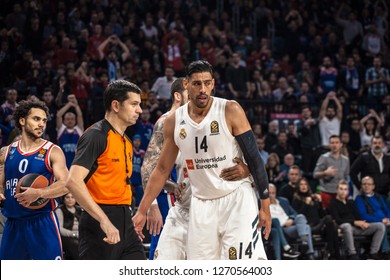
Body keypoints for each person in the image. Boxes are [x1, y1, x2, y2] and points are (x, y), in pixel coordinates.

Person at [133, 60, 271, 260]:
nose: (203, 89)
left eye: (207, 83)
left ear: (213, 84)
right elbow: (161, 169)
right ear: (187, 85)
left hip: (236, 199)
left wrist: (265, 207)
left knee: (240, 267)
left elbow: (255, 159)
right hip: (201, 203)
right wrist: (143, 210)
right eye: (197, 84)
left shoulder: (230, 110)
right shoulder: (173, 121)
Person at [65, 80, 146, 260]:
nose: (139, 110)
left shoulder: (127, 142)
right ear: (116, 105)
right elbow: (73, 181)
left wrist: (126, 224)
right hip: (99, 222)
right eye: (134, 104)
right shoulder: (96, 135)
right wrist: (105, 221)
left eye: (139, 105)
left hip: (125, 220)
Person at [0, 100, 69, 260]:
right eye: (36, 119)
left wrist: (39, 193)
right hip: (13, 224)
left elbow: (66, 184)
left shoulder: (53, 151)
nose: (41, 124)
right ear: (22, 121)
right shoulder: (6, 152)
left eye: (44, 121)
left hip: (42, 223)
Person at [327, 180, 385, 260]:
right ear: (337, 190)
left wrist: (362, 223)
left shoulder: (351, 202)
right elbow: (338, 220)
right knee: (347, 226)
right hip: (343, 228)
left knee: (380, 226)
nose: (343, 192)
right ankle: (352, 254)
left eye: (345, 189)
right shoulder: (332, 203)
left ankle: (373, 253)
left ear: (348, 191)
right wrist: (354, 222)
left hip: (356, 227)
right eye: (341, 189)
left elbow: (358, 217)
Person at [292, 177, 341, 259]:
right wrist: (306, 204)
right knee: (329, 221)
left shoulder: (313, 198)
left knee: (332, 227)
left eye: (305, 184)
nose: (304, 186)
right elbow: (298, 217)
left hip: (318, 224)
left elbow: (322, 214)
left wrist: (321, 203)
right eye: (301, 184)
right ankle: (332, 252)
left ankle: (332, 252)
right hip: (308, 227)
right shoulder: (296, 199)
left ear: (308, 186)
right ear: (298, 186)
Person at [269, 183, 315, 260]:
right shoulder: (262, 203)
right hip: (282, 228)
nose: (271, 195)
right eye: (269, 193)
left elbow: (294, 213)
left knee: (300, 216)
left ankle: (304, 241)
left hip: (291, 224)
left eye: (273, 193)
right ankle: (310, 253)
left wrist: (291, 219)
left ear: (276, 193)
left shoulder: (283, 201)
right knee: (307, 227)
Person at [354, 176, 390, 258]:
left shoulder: (378, 197)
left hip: (385, 221)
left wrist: (388, 219)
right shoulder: (359, 199)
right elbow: (364, 216)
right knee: (381, 226)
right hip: (372, 224)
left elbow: (387, 210)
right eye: (364, 184)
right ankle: (386, 252)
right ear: (361, 186)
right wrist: (381, 220)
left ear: (373, 186)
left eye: (369, 184)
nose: (367, 186)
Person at [313, 135, 350, 208]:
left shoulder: (346, 160)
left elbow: (346, 177)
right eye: (332, 143)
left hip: (341, 194)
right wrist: (325, 173)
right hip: (327, 193)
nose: (334, 145)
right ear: (329, 145)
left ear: (340, 145)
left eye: (336, 142)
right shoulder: (323, 158)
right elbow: (315, 174)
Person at [56, 94, 84, 169]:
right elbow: (59, 115)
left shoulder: (78, 129)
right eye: (68, 119)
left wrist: (75, 105)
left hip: (77, 166)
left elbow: (80, 115)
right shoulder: (61, 129)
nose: (70, 121)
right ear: (64, 121)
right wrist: (69, 104)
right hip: (63, 166)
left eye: (72, 119)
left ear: (75, 121)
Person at [55, 192, 82, 260]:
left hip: (80, 235)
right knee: (75, 243)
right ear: (64, 199)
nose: (70, 199)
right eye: (67, 197)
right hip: (67, 237)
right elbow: (60, 229)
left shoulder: (79, 209)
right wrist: (73, 234)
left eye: (72, 197)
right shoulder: (59, 210)